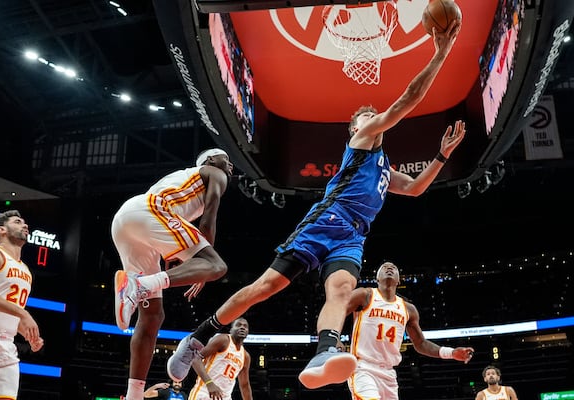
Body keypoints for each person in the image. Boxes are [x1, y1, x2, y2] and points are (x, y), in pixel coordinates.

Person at [166, 19, 463, 390]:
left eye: (372, 116)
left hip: (353, 236)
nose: (372, 118)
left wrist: (441, 155)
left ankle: (325, 351)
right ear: (355, 128)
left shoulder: (384, 166)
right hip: (327, 220)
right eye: (366, 117)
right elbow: (407, 101)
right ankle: (196, 339)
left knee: (339, 291)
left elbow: (417, 188)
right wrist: (440, 53)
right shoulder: (364, 141)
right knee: (264, 288)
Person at [112, 148, 234, 400]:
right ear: (211, 160)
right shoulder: (215, 173)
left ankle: (134, 395)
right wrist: (203, 265)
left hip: (127, 220)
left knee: (153, 314)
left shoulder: (183, 179)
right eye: (227, 159)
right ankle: (139, 285)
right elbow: (208, 218)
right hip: (150, 210)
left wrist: (183, 262)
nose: (230, 166)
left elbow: (173, 239)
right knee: (218, 266)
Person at [346, 261, 474, 400]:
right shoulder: (365, 295)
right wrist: (333, 340)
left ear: (399, 280)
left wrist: (452, 353)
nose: (389, 268)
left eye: (393, 268)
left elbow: (421, 344)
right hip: (363, 368)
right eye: (384, 268)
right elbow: (337, 311)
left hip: (389, 374)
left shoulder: (408, 309)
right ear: (377, 279)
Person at [0, 210, 44, 399]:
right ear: (2, 230)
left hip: (6, 346)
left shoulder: (26, 270)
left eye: (25, 222)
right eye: (17, 222)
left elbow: (9, 310)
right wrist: (24, 314)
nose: (25, 225)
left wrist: (28, 334)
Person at [188, 317, 252, 400]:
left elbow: (244, 385)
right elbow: (196, 359)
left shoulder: (245, 356)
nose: (242, 327)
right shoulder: (223, 340)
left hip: (225, 397)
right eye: (238, 325)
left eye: (245, 326)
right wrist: (209, 383)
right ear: (231, 330)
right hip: (205, 392)